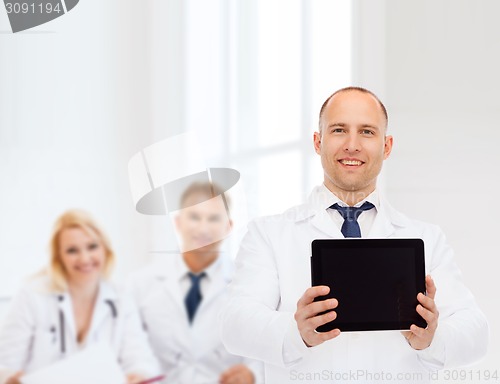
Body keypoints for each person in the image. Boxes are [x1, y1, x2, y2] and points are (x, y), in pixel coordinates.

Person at [220, 87, 489, 383]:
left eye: (366, 132)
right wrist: (296, 333)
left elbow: (475, 332)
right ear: (317, 141)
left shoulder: (427, 238)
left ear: (386, 147)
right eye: (338, 130)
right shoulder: (269, 234)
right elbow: (235, 326)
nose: (352, 145)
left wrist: (431, 339)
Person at [0, 210, 161, 384]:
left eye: (92, 246)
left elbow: (140, 359)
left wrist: (139, 375)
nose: (85, 259)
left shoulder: (121, 298)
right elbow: (5, 362)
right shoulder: (32, 296)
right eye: (72, 251)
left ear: (105, 249)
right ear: (59, 257)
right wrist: (9, 378)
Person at [130, 182, 263, 384]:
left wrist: (252, 374)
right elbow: (132, 346)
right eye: (194, 217)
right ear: (178, 222)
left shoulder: (248, 283)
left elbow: (262, 348)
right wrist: (139, 372)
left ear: (228, 227)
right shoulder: (140, 284)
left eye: (213, 218)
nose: (203, 228)